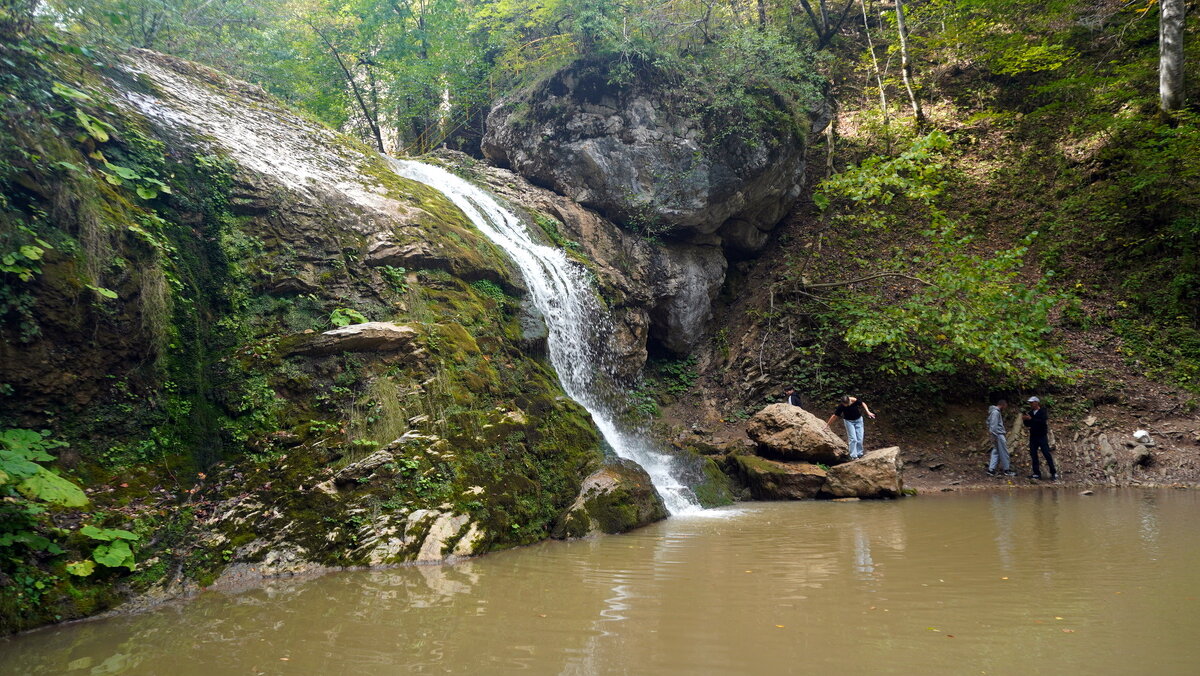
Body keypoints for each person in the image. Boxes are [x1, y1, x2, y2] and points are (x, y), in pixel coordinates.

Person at [826, 395, 875, 459]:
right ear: (843, 403)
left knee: (860, 438)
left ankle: (859, 453)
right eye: (845, 404)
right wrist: (827, 425)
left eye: (848, 403)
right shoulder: (841, 406)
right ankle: (853, 456)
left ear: (849, 400)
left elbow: (862, 403)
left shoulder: (854, 400)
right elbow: (835, 416)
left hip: (858, 420)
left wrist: (868, 412)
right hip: (849, 422)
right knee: (853, 439)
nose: (847, 405)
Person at [1022, 396, 1059, 480]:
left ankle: (1053, 472)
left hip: (1042, 436)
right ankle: (1036, 473)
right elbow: (1028, 424)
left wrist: (1031, 419)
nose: (1030, 404)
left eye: (1032, 402)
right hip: (1033, 436)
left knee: (1046, 453)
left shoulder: (1043, 411)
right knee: (1033, 454)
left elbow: (1041, 422)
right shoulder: (1030, 412)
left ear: (1036, 402)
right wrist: (1025, 419)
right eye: (1030, 403)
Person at [986, 397, 1015, 477]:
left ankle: (991, 470)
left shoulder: (993, 412)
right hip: (998, 435)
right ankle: (1006, 470)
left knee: (996, 452)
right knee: (1004, 452)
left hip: (996, 434)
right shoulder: (995, 412)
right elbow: (993, 425)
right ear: (1003, 405)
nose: (1005, 408)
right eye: (1005, 406)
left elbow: (989, 423)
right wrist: (994, 436)